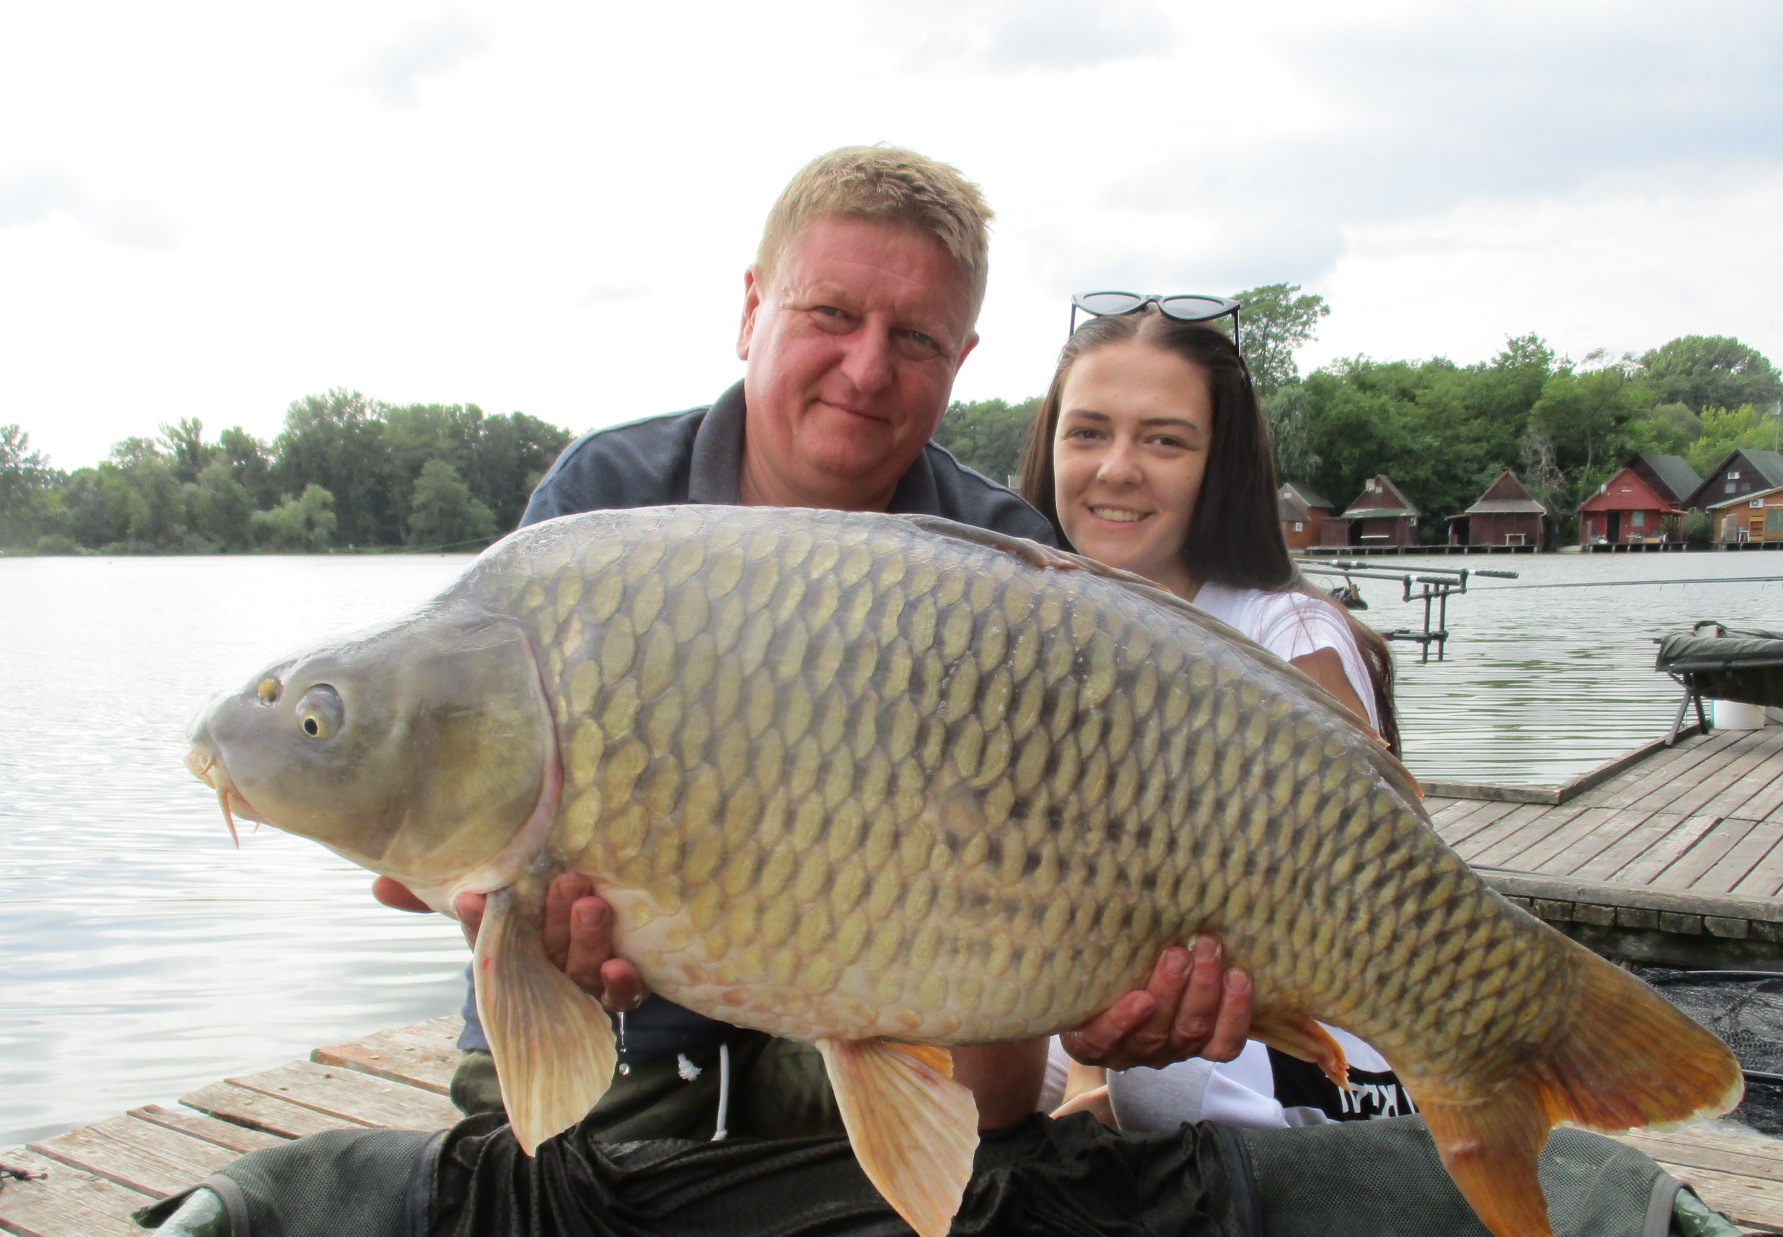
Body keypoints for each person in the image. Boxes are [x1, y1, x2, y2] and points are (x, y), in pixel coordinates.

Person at [375, 149, 1254, 1140]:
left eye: (914, 337)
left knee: (989, 1118)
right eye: (831, 314)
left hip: (894, 1001)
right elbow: (449, 845)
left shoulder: (1006, 557)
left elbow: (1083, 871)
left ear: (961, 359)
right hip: (622, 1027)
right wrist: (500, 903)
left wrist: (1108, 991)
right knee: (539, 1181)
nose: (868, 368)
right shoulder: (601, 508)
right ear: (752, 311)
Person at [1015, 299, 1415, 1132]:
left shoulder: (1291, 636)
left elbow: (1372, 910)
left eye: (1164, 441)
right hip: (1115, 1032)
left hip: (1295, 1080)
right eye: (1088, 433)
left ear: (1220, 465)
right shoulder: (1033, 629)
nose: (1116, 469)